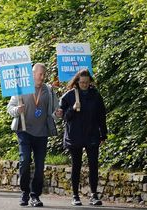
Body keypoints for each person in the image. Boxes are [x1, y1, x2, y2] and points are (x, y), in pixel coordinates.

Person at [7, 63, 61, 207]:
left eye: (44, 74)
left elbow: (55, 112)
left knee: (39, 165)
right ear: (32, 74)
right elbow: (10, 108)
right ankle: (24, 193)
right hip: (24, 132)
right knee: (25, 161)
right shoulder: (21, 88)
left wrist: (57, 114)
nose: (42, 77)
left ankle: (35, 196)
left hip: (42, 134)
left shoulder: (49, 91)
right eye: (40, 74)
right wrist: (17, 110)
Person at [59, 69, 107, 206]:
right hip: (75, 135)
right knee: (76, 165)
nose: (84, 85)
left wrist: (103, 134)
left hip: (92, 134)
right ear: (77, 82)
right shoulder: (69, 96)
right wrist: (73, 108)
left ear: (90, 81)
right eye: (82, 82)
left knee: (93, 165)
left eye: (86, 82)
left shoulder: (96, 96)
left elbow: (101, 116)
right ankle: (75, 195)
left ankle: (94, 194)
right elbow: (63, 117)